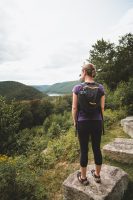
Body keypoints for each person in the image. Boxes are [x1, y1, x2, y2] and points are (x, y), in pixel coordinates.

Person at [72, 63, 105, 185]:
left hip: (83, 122)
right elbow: (102, 108)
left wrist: (75, 121)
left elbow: (75, 108)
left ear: (85, 72)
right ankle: (97, 175)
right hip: (97, 122)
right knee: (97, 148)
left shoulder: (77, 88)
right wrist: (100, 120)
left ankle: (84, 178)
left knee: (84, 150)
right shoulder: (100, 88)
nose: (81, 74)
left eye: (81, 71)